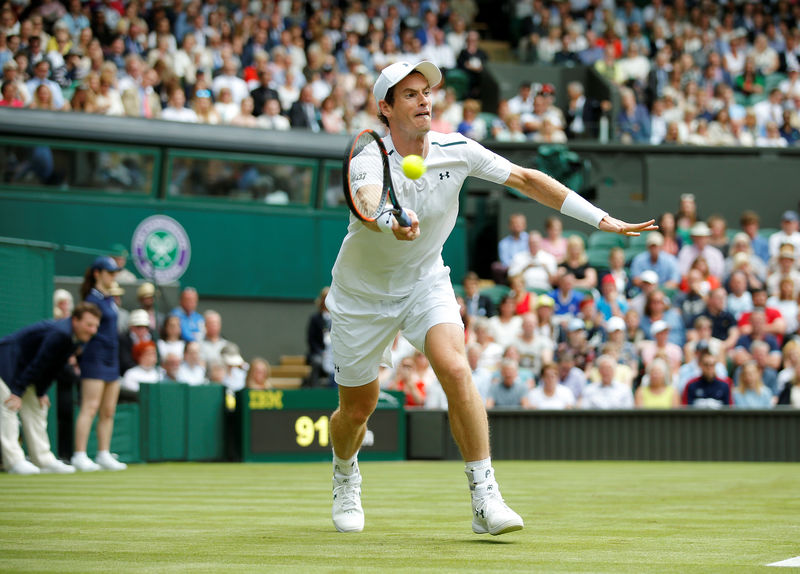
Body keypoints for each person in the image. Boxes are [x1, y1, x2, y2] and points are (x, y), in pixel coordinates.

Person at [326, 60, 655, 536]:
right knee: (356, 410)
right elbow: (370, 199)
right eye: (411, 94)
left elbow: (525, 179)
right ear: (386, 107)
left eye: (427, 92)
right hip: (362, 296)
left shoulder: (456, 148)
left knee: (457, 369)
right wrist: (391, 221)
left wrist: (603, 220)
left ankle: (485, 499)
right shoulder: (367, 158)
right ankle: (345, 472)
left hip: (424, 283)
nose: (424, 100)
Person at [0, 303, 100, 475]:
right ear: (75, 320)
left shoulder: (74, 339)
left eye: (95, 326)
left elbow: (53, 367)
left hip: (22, 369)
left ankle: (43, 460)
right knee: (9, 405)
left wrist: (41, 391)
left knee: (38, 407)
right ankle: (14, 461)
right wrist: (17, 392)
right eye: (89, 325)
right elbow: (39, 363)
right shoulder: (60, 333)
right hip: (5, 363)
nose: (93, 331)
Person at [72, 257, 128, 472]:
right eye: (110, 272)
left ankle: (104, 453)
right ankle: (80, 454)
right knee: (90, 406)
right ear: (98, 273)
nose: (114, 276)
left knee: (108, 410)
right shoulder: (91, 299)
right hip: (94, 357)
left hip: (111, 359)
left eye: (115, 273)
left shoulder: (109, 299)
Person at [307, 286, 333, 387]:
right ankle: (315, 390)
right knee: (317, 361)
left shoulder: (338, 318)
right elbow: (311, 340)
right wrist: (322, 352)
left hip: (335, 353)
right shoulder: (315, 319)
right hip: (319, 353)